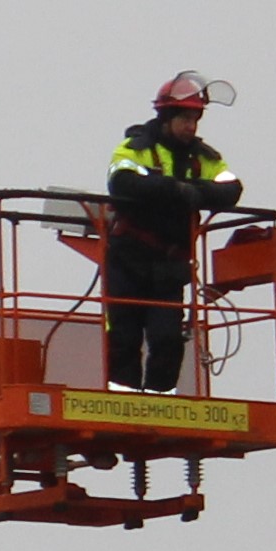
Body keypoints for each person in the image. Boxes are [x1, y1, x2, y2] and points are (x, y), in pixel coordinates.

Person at [104, 72, 244, 393]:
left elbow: (231, 189)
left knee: (167, 337)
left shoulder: (203, 157)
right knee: (124, 335)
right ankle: (121, 400)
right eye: (184, 118)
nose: (191, 126)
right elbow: (122, 181)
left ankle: (159, 400)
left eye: (195, 119)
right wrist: (177, 190)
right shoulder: (135, 148)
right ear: (166, 118)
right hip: (128, 259)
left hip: (170, 266)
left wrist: (191, 190)